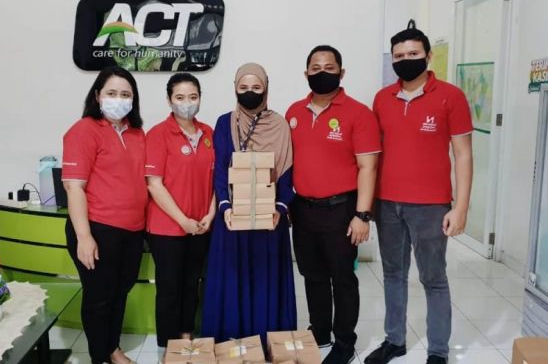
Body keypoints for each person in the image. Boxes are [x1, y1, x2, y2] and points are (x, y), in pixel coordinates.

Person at [364, 21, 473, 364]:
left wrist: (461, 207)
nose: (406, 60)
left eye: (413, 54)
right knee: (393, 274)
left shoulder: (451, 96)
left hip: (431, 206)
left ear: (428, 56)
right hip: (387, 203)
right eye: (399, 56)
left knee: (433, 278)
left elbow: (464, 154)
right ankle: (394, 340)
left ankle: (438, 350)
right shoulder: (382, 98)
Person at [286, 45, 381, 364]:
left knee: (342, 278)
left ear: (341, 72)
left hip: (342, 209)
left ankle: (344, 341)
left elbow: (368, 167)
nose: (322, 73)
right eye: (315, 68)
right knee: (311, 274)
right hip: (303, 208)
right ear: (306, 74)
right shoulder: (294, 113)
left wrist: (362, 215)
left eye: (329, 67)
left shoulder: (358, 113)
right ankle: (320, 331)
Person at [201, 63, 296, 345]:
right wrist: (225, 207)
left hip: (270, 220)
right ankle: (232, 340)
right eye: (243, 87)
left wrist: (280, 208)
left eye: (256, 87)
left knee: (265, 279)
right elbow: (220, 170)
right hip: (232, 218)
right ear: (235, 88)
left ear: (266, 89)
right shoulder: (224, 123)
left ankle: (267, 340)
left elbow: (287, 172)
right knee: (233, 278)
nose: (250, 92)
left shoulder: (280, 125)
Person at [62, 65, 147, 364]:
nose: (118, 99)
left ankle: (112, 348)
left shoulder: (137, 133)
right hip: (97, 228)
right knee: (99, 298)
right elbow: (74, 187)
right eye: (112, 93)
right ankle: (100, 356)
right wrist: (84, 237)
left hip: (132, 230)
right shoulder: (83, 130)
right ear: (97, 95)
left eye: (125, 94)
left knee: (120, 292)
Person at [145, 73, 216, 347]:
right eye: (180, 97)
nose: (187, 103)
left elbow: (217, 179)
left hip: (201, 226)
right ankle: (169, 345)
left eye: (193, 97)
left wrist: (210, 214)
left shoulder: (208, 133)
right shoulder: (158, 134)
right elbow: (154, 184)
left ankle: (186, 335)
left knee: (191, 283)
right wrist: (182, 220)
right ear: (169, 100)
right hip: (167, 229)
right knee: (169, 288)